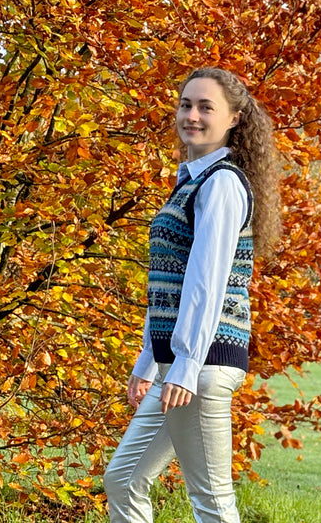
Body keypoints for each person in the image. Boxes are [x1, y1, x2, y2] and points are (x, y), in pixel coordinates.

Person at [103, 67, 280, 523]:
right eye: (186, 104)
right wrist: (150, 362)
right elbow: (168, 283)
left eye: (206, 107)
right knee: (123, 480)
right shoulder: (192, 180)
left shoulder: (220, 183)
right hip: (179, 365)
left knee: (213, 502)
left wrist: (182, 366)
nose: (192, 116)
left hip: (201, 365)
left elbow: (206, 281)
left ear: (235, 118)